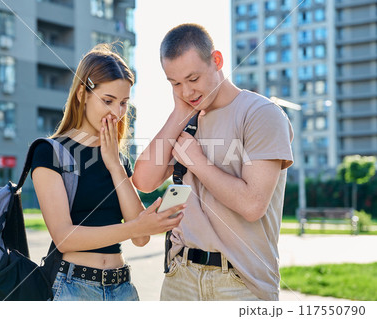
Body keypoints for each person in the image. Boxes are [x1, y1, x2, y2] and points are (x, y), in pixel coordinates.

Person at [132, 24, 294, 301]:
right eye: (175, 83)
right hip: (180, 277)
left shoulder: (261, 114)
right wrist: (178, 113)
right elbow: (144, 181)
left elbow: (252, 205)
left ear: (217, 61)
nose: (186, 90)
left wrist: (196, 161)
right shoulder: (186, 120)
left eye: (193, 78)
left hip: (240, 282)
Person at [31, 44, 184, 301]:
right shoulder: (49, 152)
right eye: (108, 101)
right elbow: (64, 238)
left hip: (122, 288)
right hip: (72, 288)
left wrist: (114, 165)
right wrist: (135, 227)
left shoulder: (118, 159)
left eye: (124, 103)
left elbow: (142, 238)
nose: (117, 112)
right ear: (82, 94)